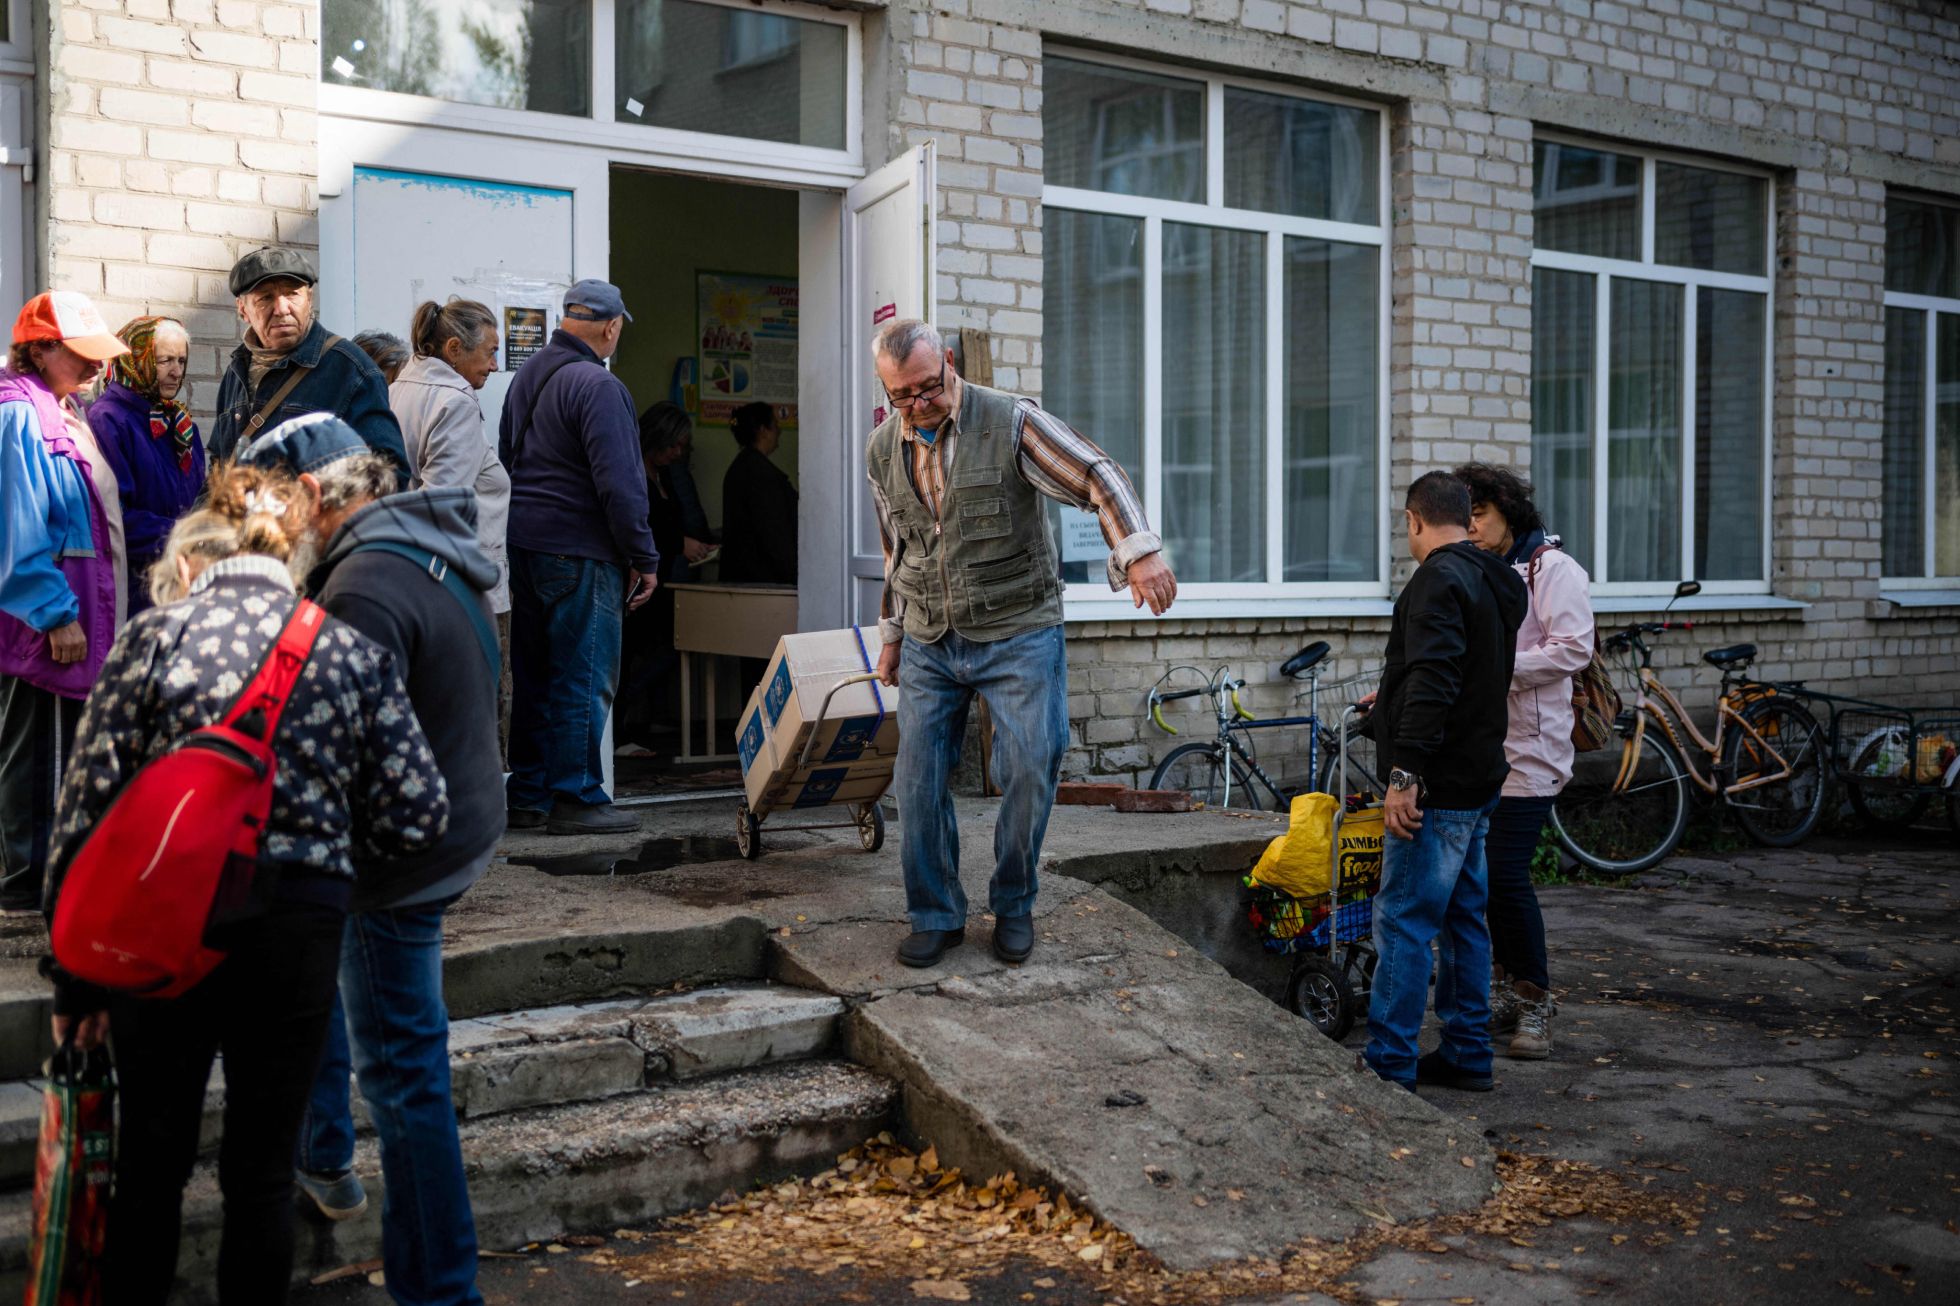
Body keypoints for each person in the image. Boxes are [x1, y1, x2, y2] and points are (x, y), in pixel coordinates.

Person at [40, 462, 449, 1305]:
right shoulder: (346, 649)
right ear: (294, 549)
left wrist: (73, 982)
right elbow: (419, 813)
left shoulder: (154, 638)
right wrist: (331, 848)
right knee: (261, 1174)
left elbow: (82, 812)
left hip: (162, 921)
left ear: (203, 550)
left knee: (150, 1164)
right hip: (299, 924)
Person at [237, 414, 502, 1306]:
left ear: (314, 494)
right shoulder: (416, 545)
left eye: (272, 511)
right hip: (451, 821)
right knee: (352, 1016)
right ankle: (325, 1157)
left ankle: (439, 1290)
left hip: (398, 862)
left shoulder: (362, 586)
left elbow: (340, 757)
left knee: (404, 1077)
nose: (269, 536)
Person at [867, 319, 1177, 969]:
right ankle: (935, 915)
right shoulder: (882, 450)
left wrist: (1138, 552)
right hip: (929, 636)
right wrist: (891, 634)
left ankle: (1013, 902)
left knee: (1031, 768)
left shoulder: (1011, 422)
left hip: (1018, 629)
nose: (918, 404)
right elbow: (899, 551)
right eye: (902, 396)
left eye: (928, 387)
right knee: (916, 781)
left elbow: (1095, 473)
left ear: (948, 362)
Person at [1361, 471, 1527, 1093]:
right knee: (1464, 920)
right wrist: (1389, 701)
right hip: (1480, 778)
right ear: (1467, 517)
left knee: (1404, 921)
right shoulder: (1495, 577)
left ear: (1414, 520)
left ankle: (1389, 1063)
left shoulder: (1436, 579)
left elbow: (1435, 679)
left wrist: (1405, 775)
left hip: (1436, 787)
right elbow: (1460, 672)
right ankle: (1466, 1053)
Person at [498, 280, 658, 835]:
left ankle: (529, 796)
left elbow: (508, 457)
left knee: (536, 676)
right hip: (581, 551)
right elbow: (621, 485)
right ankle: (578, 797)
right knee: (583, 676)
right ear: (611, 327)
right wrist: (643, 555)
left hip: (527, 547)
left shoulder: (528, 375)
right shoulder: (600, 386)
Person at [1456, 461, 1594, 1060]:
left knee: (1506, 877)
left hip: (1532, 750)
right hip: (1481, 749)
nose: (1471, 527)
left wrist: (1499, 672)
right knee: (1484, 881)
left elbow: (1573, 649)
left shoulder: (1553, 569)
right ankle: (1508, 990)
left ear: (1508, 513)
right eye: (1463, 517)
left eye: (1479, 514)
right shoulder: (1476, 568)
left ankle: (1535, 1000)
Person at [0, 292, 130, 916]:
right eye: (82, 354)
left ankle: (44, 881)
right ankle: (28, 890)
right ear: (42, 348)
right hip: (46, 622)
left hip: (66, 616)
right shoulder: (19, 416)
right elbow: (17, 524)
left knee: (54, 751)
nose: (96, 366)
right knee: (39, 756)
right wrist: (55, 613)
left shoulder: (58, 408)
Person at [392, 297, 513, 757]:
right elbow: (444, 506)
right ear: (454, 349)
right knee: (474, 718)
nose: (495, 365)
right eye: (490, 352)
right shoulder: (455, 401)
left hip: (413, 576)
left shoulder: (401, 387)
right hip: (461, 587)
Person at [205, 246, 409, 476]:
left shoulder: (352, 370)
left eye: (292, 294)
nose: (282, 309)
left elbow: (390, 470)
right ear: (242, 309)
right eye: (265, 298)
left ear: (309, 299)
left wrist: (314, 493)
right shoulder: (236, 372)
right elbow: (218, 464)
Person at [88, 315, 205, 616]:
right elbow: (113, 515)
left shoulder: (180, 423)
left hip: (183, 583)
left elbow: (199, 497)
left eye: (181, 360)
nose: (176, 371)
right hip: (135, 590)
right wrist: (184, 536)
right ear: (135, 360)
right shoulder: (109, 419)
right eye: (164, 360)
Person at [618, 402, 693, 750]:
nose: (677, 453)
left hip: (660, 580)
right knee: (631, 652)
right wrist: (680, 543)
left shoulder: (664, 475)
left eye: (682, 446)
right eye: (673, 444)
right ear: (657, 437)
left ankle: (634, 721)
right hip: (636, 579)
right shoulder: (633, 471)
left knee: (663, 648)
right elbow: (641, 524)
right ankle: (619, 731)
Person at [719, 401, 798, 585]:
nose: (779, 431)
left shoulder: (743, 467)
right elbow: (773, 532)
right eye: (775, 425)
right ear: (763, 431)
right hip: (761, 579)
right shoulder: (760, 474)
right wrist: (792, 574)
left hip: (745, 576)